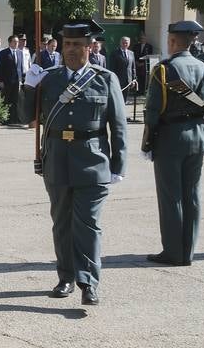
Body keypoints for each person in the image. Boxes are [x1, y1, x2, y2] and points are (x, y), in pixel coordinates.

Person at [20, 19, 127, 306]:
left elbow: (117, 126)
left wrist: (119, 165)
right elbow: (25, 116)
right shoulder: (50, 78)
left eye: (77, 45)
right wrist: (29, 87)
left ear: (89, 47)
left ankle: (89, 281)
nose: (71, 50)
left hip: (93, 160)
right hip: (56, 159)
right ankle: (66, 276)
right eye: (67, 44)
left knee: (88, 224)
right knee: (62, 224)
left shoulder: (105, 78)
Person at [141, 20, 204, 267]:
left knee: (171, 196)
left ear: (173, 41)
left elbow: (152, 111)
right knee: (192, 195)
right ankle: (188, 251)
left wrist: (147, 142)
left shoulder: (164, 70)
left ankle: (173, 251)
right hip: (198, 137)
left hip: (170, 138)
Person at [0, 36, 21, 124]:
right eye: (15, 42)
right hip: (6, 81)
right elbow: (0, 68)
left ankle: (13, 119)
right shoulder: (4, 53)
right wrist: (0, 81)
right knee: (5, 100)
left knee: (15, 101)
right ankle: (4, 119)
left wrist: (20, 79)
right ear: (10, 42)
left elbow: (20, 67)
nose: (16, 44)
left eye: (17, 42)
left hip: (16, 81)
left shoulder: (20, 53)